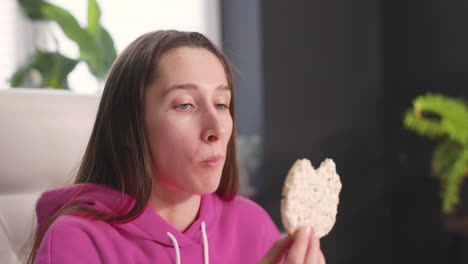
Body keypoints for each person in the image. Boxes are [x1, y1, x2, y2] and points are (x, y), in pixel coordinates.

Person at [29, 30, 326, 264]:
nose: (216, 128)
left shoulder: (251, 224)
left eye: (221, 104)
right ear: (128, 130)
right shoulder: (78, 240)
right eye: (185, 105)